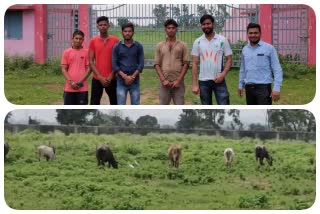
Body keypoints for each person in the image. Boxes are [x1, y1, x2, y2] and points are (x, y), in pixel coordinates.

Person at [191, 14, 232, 105]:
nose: (206, 26)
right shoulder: (197, 42)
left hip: (219, 80)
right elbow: (194, 63)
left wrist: (223, 74)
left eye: (208, 23)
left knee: (224, 105)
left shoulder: (222, 40)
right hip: (203, 81)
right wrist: (194, 84)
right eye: (204, 24)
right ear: (201, 26)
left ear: (213, 24)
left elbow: (229, 59)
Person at [238, 23, 283, 105]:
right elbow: (243, 69)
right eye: (250, 33)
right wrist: (240, 85)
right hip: (249, 88)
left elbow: (277, 68)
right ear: (247, 34)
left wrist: (277, 87)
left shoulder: (269, 48)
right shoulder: (245, 50)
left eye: (256, 33)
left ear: (260, 33)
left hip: (263, 88)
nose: (253, 35)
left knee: (264, 113)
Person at [154, 19, 189, 105]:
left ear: (176, 29)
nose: (171, 30)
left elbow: (186, 64)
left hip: (178, 83)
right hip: (164, 83)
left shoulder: (183, 45)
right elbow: (156, 64)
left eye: (173, 28)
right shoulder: (160, 45)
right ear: (165, 30)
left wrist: (179, 80)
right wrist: (163, 80)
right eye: (168, 28)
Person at [89, 16, 119, 105]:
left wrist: (111, 76)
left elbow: (118, 60)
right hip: (97, 78)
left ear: (108, 26)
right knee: (94, 104)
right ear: (97, 27)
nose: (103, 27)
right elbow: (91, 61)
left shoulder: (115, 40)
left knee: (115, 103)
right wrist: (100, 77)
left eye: (105, 25)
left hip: (112, 78)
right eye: (100, 25)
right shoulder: (93, 41)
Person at [112, 23, 144, 105]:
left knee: (136, 104)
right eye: (125, 31)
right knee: (121, 104)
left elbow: (141, 64)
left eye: (130, 31)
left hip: (135, 80)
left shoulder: (138, 46)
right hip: (121, 80)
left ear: (133, 33)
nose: (127, 33)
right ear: (122, 33)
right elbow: (114, 65)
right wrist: (125, 77)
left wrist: (132, 77)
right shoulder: (117, 47)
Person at [61, 30, 91, 105]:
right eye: (76, 38)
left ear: (83, 40)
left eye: (80, 39)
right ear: (72, 39)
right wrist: (71, 82)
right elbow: (63, 69)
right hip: (69, 87)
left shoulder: (87, 52)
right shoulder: (66, 52)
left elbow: (89, 69)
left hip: (82, 88)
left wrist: (80, 82)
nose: (78, 40)